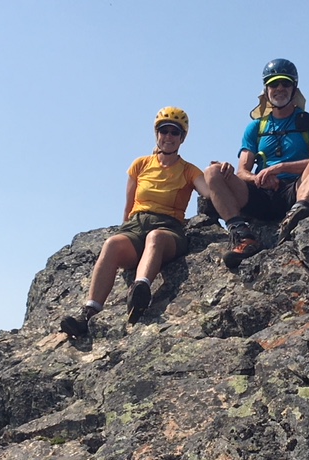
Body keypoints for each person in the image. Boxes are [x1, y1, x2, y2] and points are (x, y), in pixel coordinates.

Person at [60, 106, 210, 336]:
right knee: (112, 244)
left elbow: (208, 192)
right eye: (164, 131)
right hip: (136, 225)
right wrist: (124, 234)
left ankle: (140, 290)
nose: (168, 136)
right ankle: (88, 313)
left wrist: (218, 174)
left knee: (155, 238)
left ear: (182, 138)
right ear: (157, 134)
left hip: (168, 228)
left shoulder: (189, 171)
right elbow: (129, 205)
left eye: (175, 132)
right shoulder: (140, 165)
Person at [204, 58, 309, 268]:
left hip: (296, 189)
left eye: (285, 83)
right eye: (273, 84)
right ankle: (243, 236)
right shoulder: (256, 127)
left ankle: (296, 216)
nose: (279, 88)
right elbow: (243, 171)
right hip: (262, 194)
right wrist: (259, 178)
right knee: (213, 172)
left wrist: (279, 168)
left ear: (294, 88)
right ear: (266, 90)